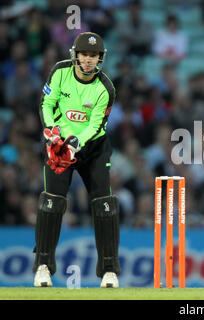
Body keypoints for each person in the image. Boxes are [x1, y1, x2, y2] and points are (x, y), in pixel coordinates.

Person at [33, 32, 120, 288]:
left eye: (94, 56)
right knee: (51, 202)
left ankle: (108, 270)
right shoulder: (59, 72)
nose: (89, 60)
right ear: (76, 55)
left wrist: (75, 143)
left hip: (93, 149)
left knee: (105, 203)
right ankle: (43, 267)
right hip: (59, 146)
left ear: (100, 59)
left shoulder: (106, 88)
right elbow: (47, 103)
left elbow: (95, 125)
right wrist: (52, 132)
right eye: (85, 54)